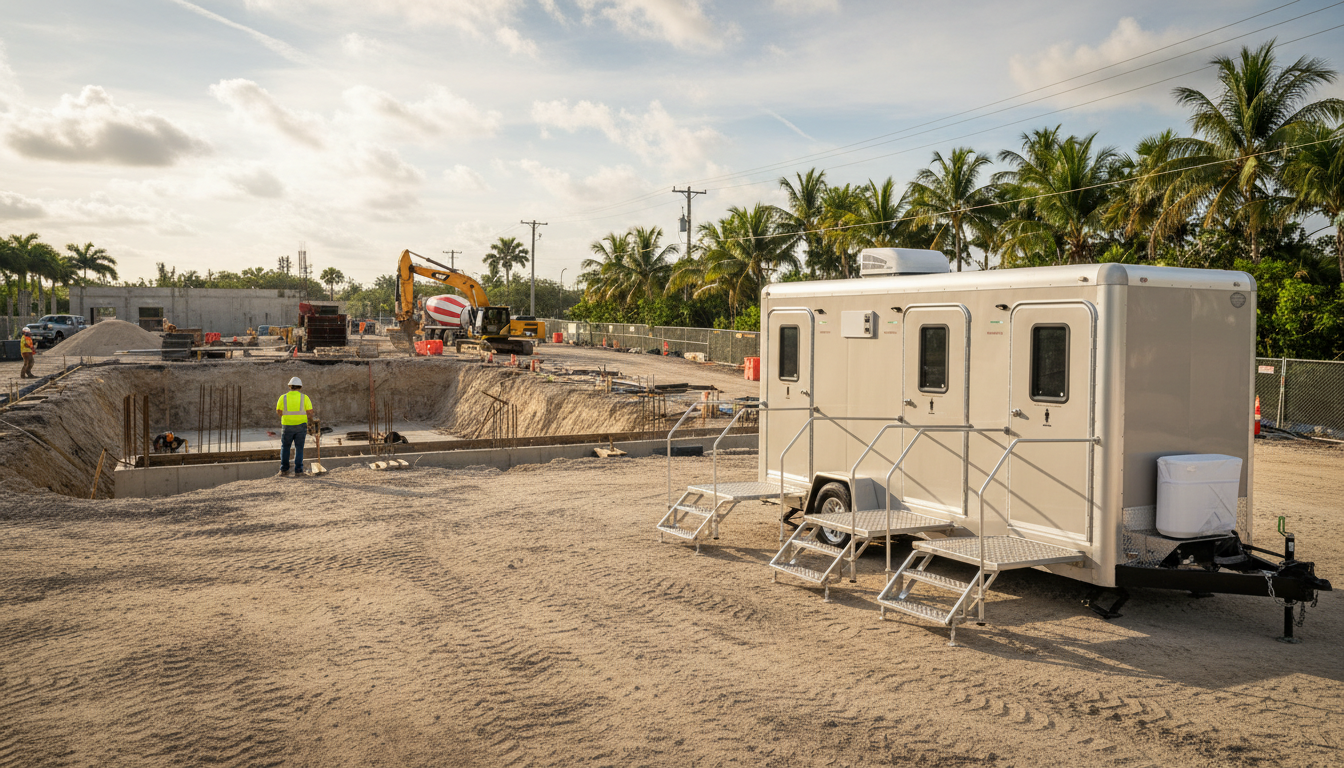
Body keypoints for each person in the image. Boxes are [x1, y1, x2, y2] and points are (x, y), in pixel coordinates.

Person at [275, 376, 314, 477]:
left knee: (285, 447)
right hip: (301, 426)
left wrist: (288, 417)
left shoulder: (283, 397)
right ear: (300, 387)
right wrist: (308, 421)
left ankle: (283, 470)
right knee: (299, 448)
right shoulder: (304, 397)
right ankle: (299, 471)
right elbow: (310, 413)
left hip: (287, 426)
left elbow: (279, 412)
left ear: (289, 386)